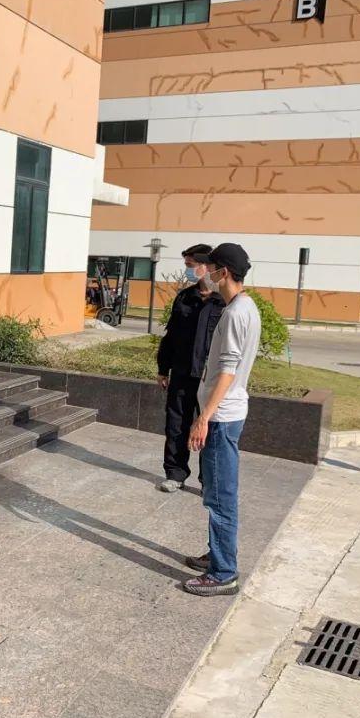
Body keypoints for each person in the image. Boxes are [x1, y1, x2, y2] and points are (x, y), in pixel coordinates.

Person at [182, 243, 260, 597]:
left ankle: (223, 572)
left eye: (210, 267)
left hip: (222, 416)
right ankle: (217, 554)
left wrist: (204, 418)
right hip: (229, 412)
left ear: (223, 272)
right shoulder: (246, 307)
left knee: (219, 497)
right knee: (217, 491)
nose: (206, 273)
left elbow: (228, 370)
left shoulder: (233, 314)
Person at [155, 244, 225, 492]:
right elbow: (170, 336)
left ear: (206, 266)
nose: (187, 270)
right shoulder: (184, 297)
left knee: (210, 429)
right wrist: (163, 368)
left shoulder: (223, 301)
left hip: (210, 379)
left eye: (190, 265)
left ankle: (209, 481)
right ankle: (175, 473)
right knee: (176, 425)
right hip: (182, 374)